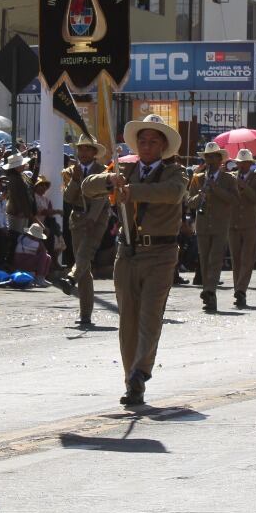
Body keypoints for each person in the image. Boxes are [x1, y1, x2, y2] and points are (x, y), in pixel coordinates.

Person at [82, 114, 186, 407]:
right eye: (142, 140)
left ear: (164, 146)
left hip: (160, 255)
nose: (147, 145)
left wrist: (131, 190)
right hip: (127, 253)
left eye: (153, 141)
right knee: (128, 319)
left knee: (150, 316)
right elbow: (87, 187)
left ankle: (141, 370)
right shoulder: (124, 168)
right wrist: (108, 180)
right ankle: (131, 381)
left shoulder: (174, 172)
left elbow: (172, 194)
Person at [62, 134, 110, 326]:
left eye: (87, 149)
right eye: (80, 149)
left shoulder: (102, 170)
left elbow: (101, 197)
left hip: (96, 220)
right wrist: (74, 181)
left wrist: (92, 218)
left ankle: (71, 278)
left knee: (84, 255)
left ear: (94, 152)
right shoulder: (70, 171)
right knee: (84, 266)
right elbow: (67, 198)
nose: (82, 153)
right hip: (77, 218)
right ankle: (85, 313)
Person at [187, 141, 240, 314]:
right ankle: (210, 295)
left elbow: (234, 200)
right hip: (203, 225)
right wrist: (201, 192)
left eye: (213, 157)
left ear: (220, 160)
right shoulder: (198, 179)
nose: (210, 160)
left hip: (220, 225)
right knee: (204, 260)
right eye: (207, 157)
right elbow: (190, 202)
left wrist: (215, 188)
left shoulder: (228, 179)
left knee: (215, 259)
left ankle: (209, 290)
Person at [228, 148, 256, 310]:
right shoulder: (231, 178)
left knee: (247, 259)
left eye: (245, 163)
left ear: (250, 164)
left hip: (250, 224)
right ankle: (238, 290)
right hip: (233, 223)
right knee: (236, 260)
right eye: (240, 163)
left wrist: (244, 187)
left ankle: (241, 289)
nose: (242, 166)